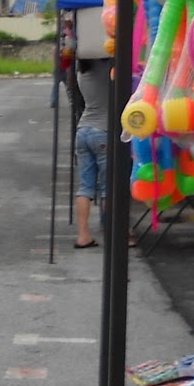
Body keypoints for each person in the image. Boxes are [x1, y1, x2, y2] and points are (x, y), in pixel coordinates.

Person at [74, 57, 115, 250]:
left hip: (83, 130)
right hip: (103, 132)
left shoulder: (82, 68)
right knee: (108, 189)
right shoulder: (108, 67)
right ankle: (113, 235)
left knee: (85, 187)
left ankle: (83, 235)